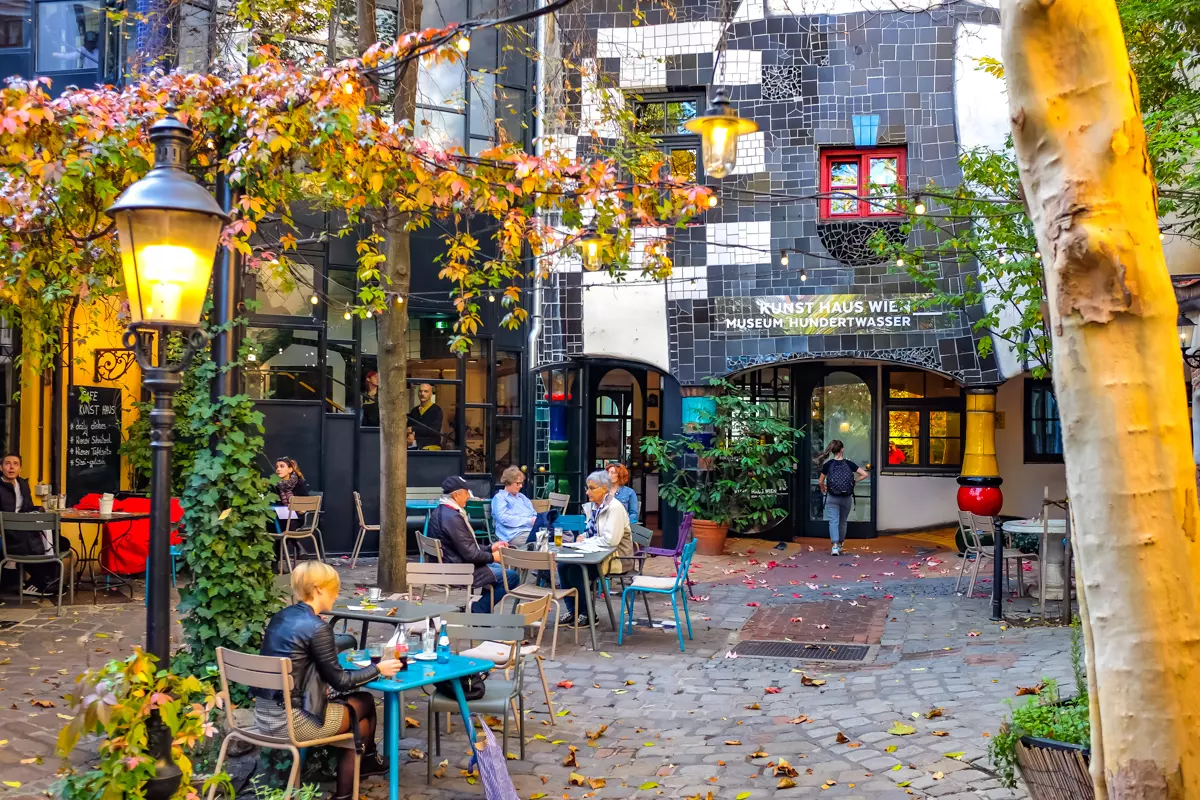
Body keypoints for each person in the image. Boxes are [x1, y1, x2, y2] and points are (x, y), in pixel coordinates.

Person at [255, 561, 399, 799]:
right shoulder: (317, 627)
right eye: (334, 588)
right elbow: (341, 681)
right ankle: (362, 769)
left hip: (264, 715)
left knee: (360, 710)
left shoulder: (282, 616)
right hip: (291, 721)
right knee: (363, 704)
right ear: (318, 589)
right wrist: (378, 669)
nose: (337, 593)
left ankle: (364, 768)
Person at [428, 476, 519, 612]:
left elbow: (466, 545)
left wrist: (490, 547)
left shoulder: (442, 511)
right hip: (458, 570)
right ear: (456, 494)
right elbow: (471, 554)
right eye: (466, 493)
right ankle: (478, 610)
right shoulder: (452, 518)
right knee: (511, 577)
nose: (468, 497)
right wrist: (494, 556)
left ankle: (480, 609)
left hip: (452, 563)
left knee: (497, 568)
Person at [556, 470, 634, 627]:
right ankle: (573, 611)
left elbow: (611, 540)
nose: (587, 492)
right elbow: (595, 532)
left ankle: (588, 614)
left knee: (576, 571)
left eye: (591, 488)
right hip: (600, 555)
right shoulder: (596, 507)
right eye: (587, 488)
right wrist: (583, 537)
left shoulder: (615, 508)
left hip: (616, 559)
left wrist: (585, 542)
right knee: (563, 565)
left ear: (604, 488)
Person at [0, 453, 69, 597]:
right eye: (7, 463)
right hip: (7, 532)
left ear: (20, 468)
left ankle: (46, 581)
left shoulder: (23, 485)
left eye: (16, 464)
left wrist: (40, 511)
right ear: (1, 467)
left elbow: (27, 507)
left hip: (25, 529)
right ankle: (44, 582)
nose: (11, 467)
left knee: (54, 538)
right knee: (37, 541)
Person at [816, 440, 868, 556]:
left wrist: (823, 488)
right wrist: (854, 481)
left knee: (833, 521)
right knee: (843, 521)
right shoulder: (850, 464)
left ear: (832, 451)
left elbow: (820, 481)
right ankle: (840, 544)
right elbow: (865, 474)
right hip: (846, 497)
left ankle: (834, 546)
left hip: (832, 496)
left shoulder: (827, 465)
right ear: (842, 450)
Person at [491, 466, 556, 546]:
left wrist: (535, 521)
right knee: (544, 540)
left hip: (530, 530)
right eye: (518, 483)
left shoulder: (522, 497)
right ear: (508, 482)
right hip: (514, 535)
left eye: (521, 483)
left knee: (556, 535)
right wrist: (528, 521)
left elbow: (533, 513)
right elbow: (503, 518)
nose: (521, 486)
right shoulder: (500, 498)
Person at [407, 383, 444, 449]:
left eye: (426, 391)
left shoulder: (437, 410)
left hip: (431, 448)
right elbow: (408, 426)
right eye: (420, 391)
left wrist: (413, 429)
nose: (422, 394)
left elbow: (434, 429)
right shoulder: (414, 411)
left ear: (431, 394)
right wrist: (410, 434)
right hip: (415, 447)